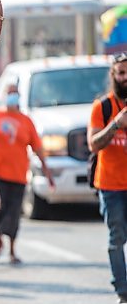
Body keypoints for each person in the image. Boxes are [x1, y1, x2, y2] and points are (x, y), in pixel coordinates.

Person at [0, 84, 54, 264]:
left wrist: (47, 171)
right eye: (9, 93)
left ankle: (11, 249)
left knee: (14, 214)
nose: (12, 97)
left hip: (18, 175)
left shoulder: (26, 121)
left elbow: (37, 147)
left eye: (15, 93)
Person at [87, 52, 127, 304]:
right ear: (113, 75)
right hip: (111, 187)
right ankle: (123, 292)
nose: (126, 78)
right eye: (121, 73)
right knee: (117, 238)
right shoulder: (102, 106)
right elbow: (93, 144)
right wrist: (115, 124)